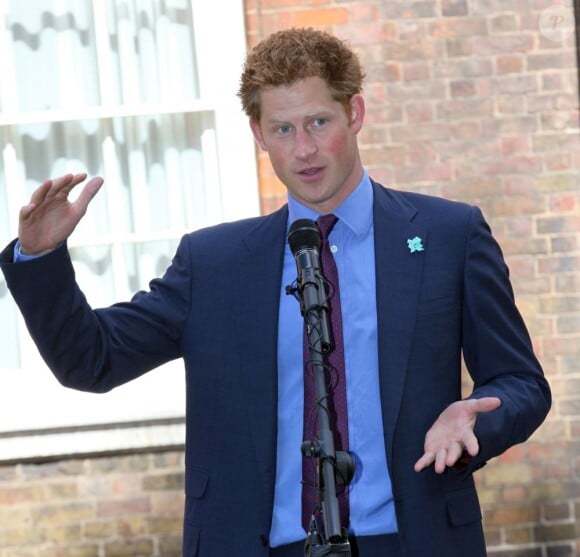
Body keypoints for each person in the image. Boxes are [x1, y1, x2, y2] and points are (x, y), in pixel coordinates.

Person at [0, 28, 551, 557]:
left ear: (354, 114)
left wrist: (476, 418)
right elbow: (90, 360)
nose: (305, 149)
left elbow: (522, 382)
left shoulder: (447, 236)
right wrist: (41, 258)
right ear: (259, 135)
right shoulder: (212, 264)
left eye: (318, 121)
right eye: (283, 129)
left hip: (415, 541)